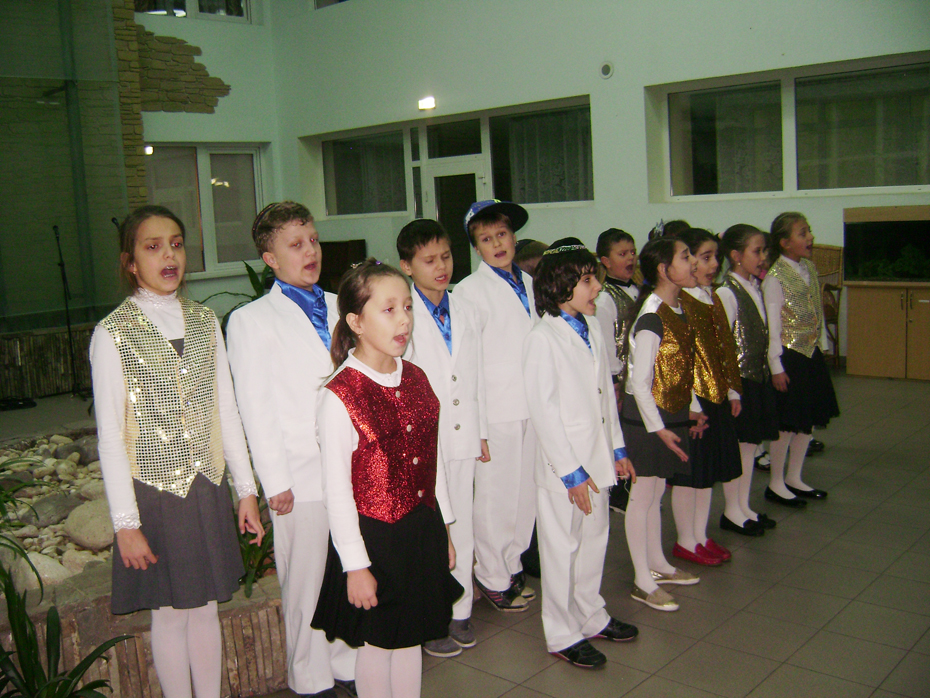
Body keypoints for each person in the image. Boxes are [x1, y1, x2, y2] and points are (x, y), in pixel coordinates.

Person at [91, 205, 263, 698]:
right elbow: (110, 437)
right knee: (169, 613)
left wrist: (245, 490)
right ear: (130, 263)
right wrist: (126, 524)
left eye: (176, 244)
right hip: (155, 493)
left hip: (206, 486)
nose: (169, 255)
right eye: (153, 247)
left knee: (206, 607)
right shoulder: (112, 333)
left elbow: (225, 410)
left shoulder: (205, 322)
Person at [311, 260, 462, 698]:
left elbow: (434, 460)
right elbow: (337, 492)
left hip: (420, 526)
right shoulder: (341, 395)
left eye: (408, 307)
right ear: (356, 322)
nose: (404, 320)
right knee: (379, 641)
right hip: (374, 536)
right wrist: (355, 565)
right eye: (389, 309)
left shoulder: (415, 376)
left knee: (411, 635)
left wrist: (444, 530)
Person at [226, 202, 356, 698]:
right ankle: (310, 676)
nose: (311, 252)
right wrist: (274, 480)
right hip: (300, 474)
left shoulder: (345, 305)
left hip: (353, 466)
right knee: (306, 580)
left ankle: (346, 663)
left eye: (314, 240)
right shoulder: (251, 320)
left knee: (348, 569)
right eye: (296, 245)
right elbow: (254, 406)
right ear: (270, 258)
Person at [523, 238, 638, 669]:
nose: (597, 288)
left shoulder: (589, 326)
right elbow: (544, 412)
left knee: (594, 541)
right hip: (565, 469)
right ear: (560, 285)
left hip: (598, 457)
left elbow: (605, 393)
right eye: (588, 281)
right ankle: (561, 631)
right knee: (561, 548)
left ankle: (590, 613)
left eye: (595, 279)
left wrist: (617, 448)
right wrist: (570, 473)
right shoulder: (542, 338)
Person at [396, 219, 488, 658]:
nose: (441, 267)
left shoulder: (466, 308)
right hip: (422, 441)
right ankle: (431, 617)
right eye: (429, 260)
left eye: (446, 256)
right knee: (429, 530)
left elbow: (476, 375)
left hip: (463, 433)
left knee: (462, 523)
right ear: (406, 266)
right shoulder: (401, 313)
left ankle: (460, 610)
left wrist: (481, 430)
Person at [454, 200, 539, 612]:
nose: (497, 244)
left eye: (502, 235)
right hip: (498, 409)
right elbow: (468, 364)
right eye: (486, 239)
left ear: (514, 237)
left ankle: (512, 564)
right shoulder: (469, 292)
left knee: (526, 494)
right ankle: (491, 574)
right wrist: (480, 427)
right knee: (495, 497)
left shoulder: (531, 282)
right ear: (476, 248)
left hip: (533, 405)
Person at [621, 237, 705, 612]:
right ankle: (642, 580)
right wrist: (658, 428)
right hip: (645, 419)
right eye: (685, 257)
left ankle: (658, 564)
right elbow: (639, 382)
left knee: (655, 495)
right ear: (663, 269)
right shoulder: (652, 316)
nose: (693, 263)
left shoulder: (678, 308)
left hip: (667, 414)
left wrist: (693, 408)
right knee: (641, 498)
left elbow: (680, 368)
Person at [670, 228, 743, 565]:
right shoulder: (681, 303)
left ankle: (700, 535)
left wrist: (732, 389)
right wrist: (692, 408)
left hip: (715, 397)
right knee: (690, 475)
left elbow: (725, 346)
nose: (714, 264)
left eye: (716, 257)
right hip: (695, 402)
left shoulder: (711, 297)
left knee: (707, 474)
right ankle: (685, 539)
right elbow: (681, 361)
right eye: (705, 257)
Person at [762, 213, 840, 507]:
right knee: (787, 422)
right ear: (784, 242)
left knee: (807, 421)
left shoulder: (809, 267)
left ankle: (795, 477)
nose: (810, 237)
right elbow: (773, 327)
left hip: (810, 354)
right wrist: (776, 366)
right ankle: (776, 482)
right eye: (802, 233)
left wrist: (821, 344)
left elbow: (816, 307)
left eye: (809, 231)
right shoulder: (775, 277)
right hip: (788, 356)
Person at [717, 224, 780, 535]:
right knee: (740, 447)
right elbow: (724, 345)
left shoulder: (755, 286)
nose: (763, 256)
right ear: (736, 255)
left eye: (765, 250)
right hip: (740, 382)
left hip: (757, 377)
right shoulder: (726, 293)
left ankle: (743, 506)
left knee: (751, 445)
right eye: (757, 251)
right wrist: (731, 390)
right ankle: (732, 510)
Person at [594, 228, 639, 514]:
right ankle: (619, 494)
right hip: (621, 380)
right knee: (621, 435)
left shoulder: (639, 290)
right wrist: (614, 383)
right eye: (622, 254)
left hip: (640, 378)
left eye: (632, 252)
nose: (630, 258)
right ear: (606, 261)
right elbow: (607, 346)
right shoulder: (604, 299)